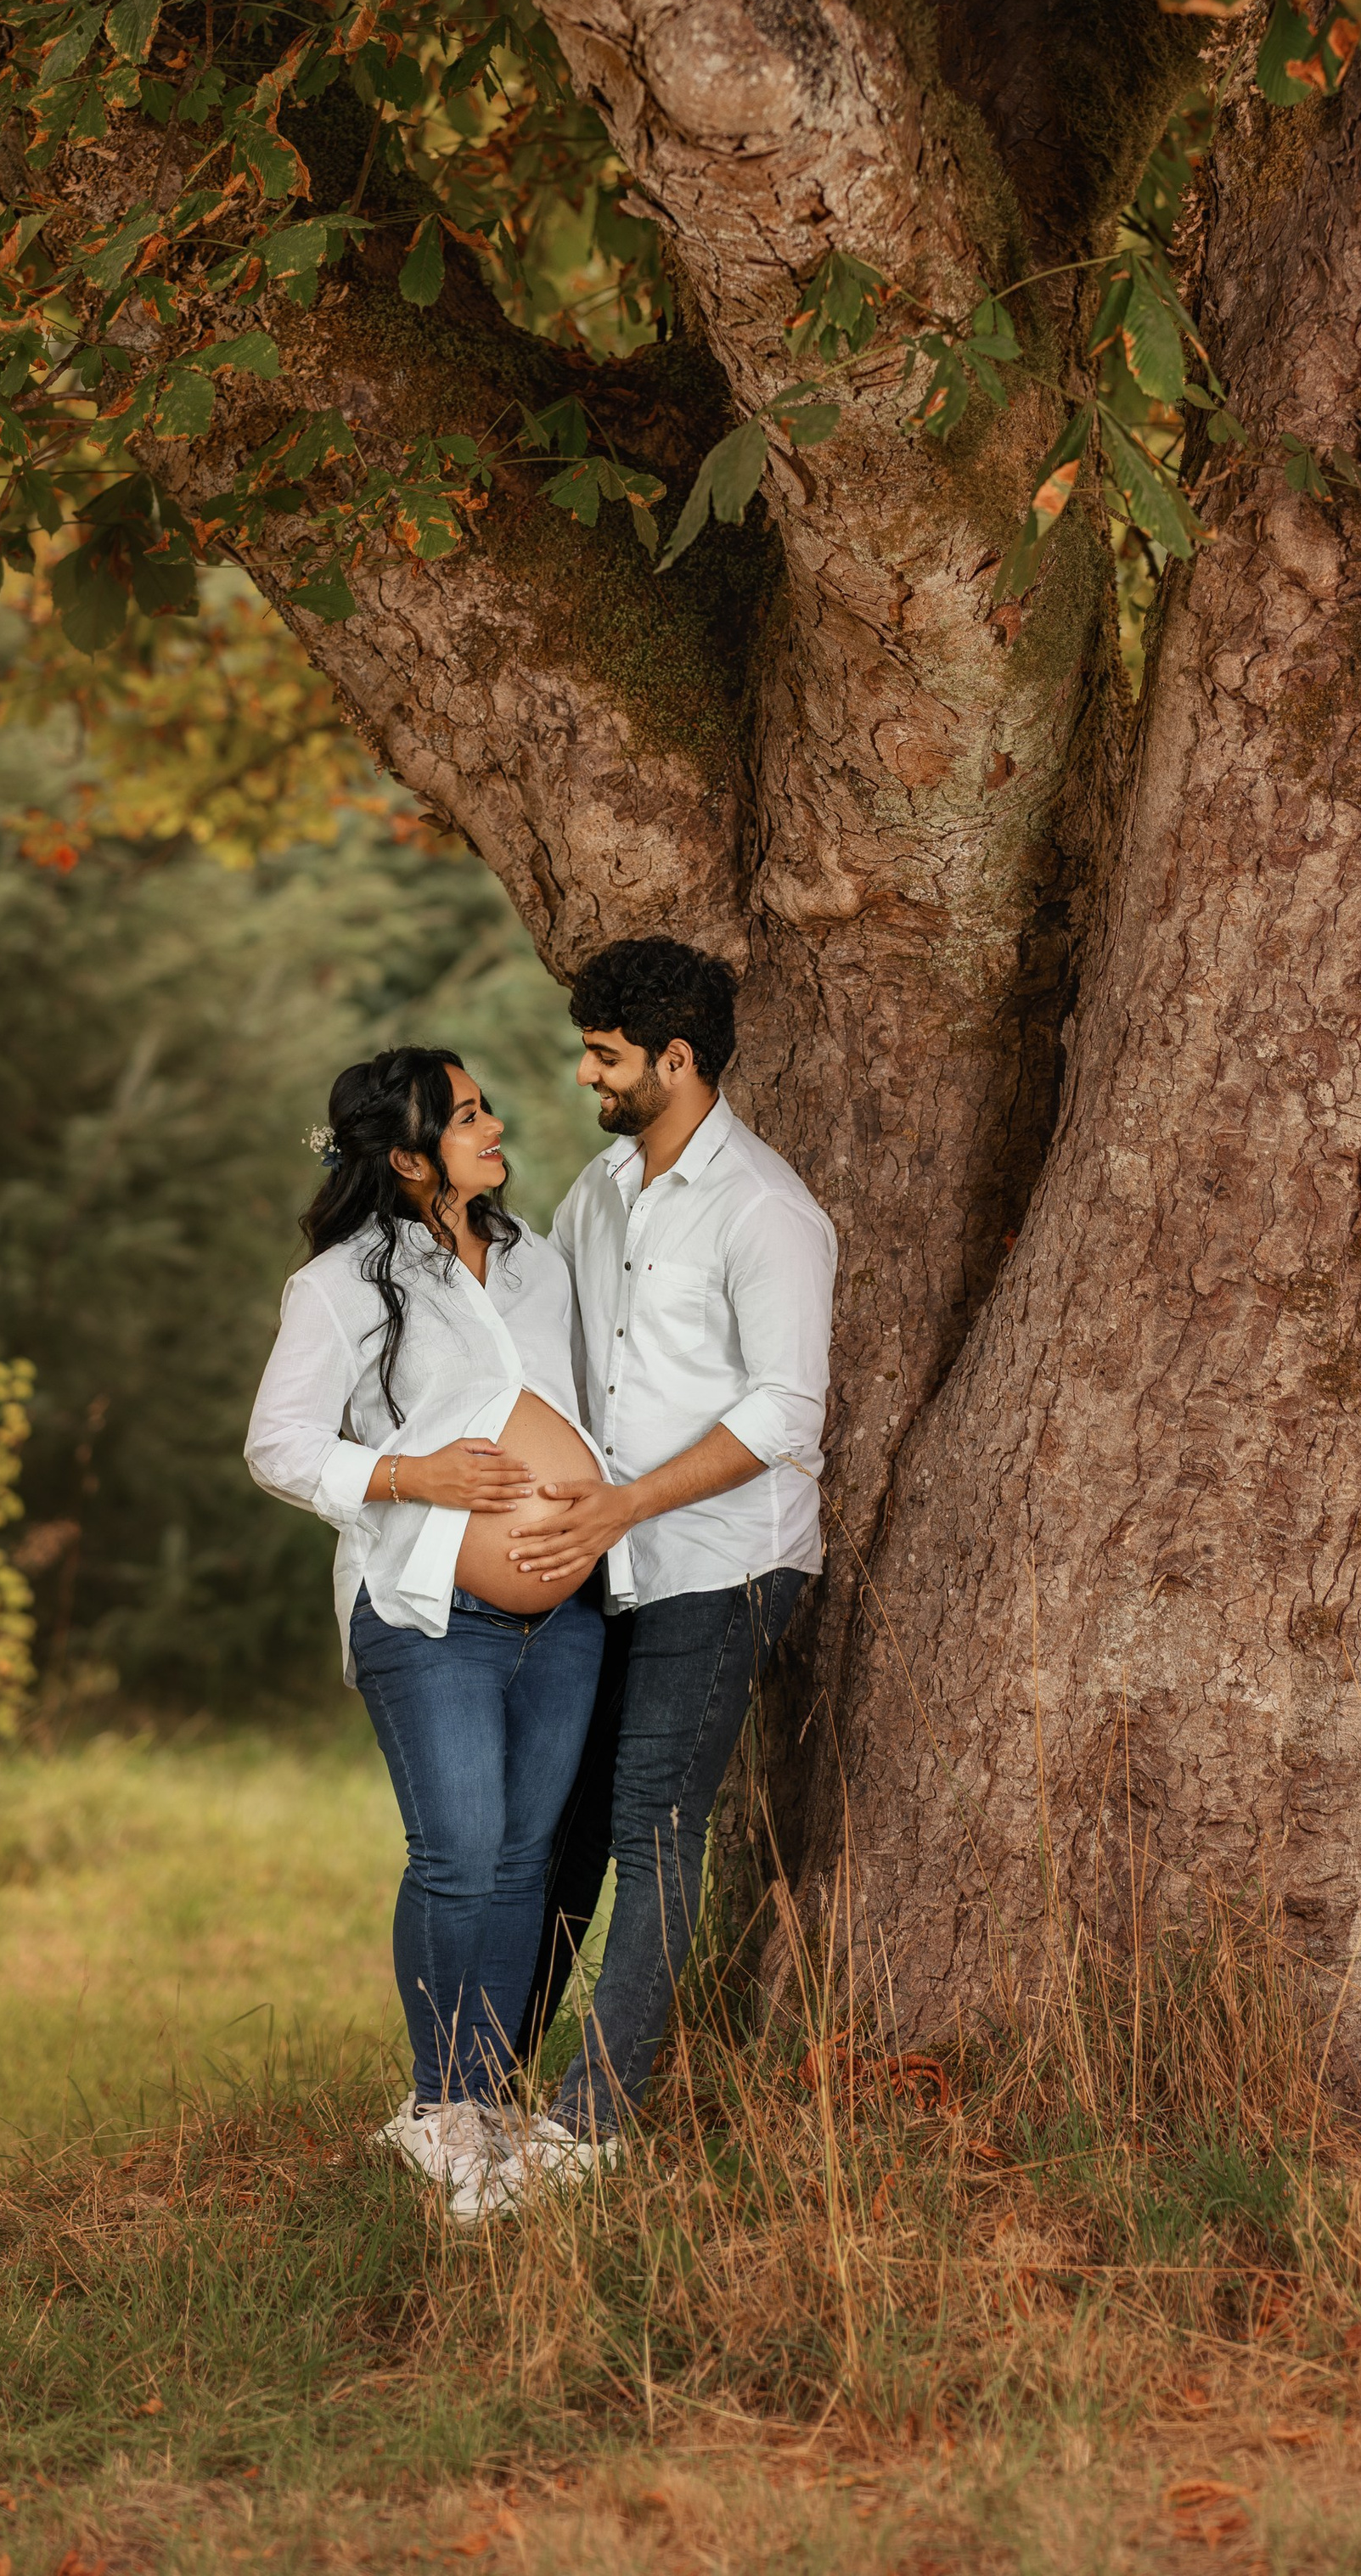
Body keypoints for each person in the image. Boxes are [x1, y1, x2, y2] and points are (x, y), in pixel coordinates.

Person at [244, 1045, 621, 2223]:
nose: (494, 1124)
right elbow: (279, 1445)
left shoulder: (534, 1262)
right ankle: (436, 2108)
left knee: (520, 1862)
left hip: (562, 1619)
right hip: (427, 1613)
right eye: (466, 1117)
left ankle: (486, 2102)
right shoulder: (344, 1284)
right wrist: (412, 1473)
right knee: (458, 1853)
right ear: (408, 1158)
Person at [489, 937, 837, 2202]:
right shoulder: (599, 1192)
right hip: (605, 1562)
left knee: (654, 1824)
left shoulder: (768, 1213)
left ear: (674, 1061)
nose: (586, 1074)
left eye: (605, 1055)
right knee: (564, 1821)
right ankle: (480, 2089)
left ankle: (591, 2127)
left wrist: (623, 1507)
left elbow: (786, 1414)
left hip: (720, 1563)